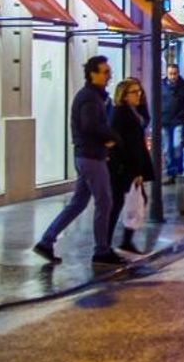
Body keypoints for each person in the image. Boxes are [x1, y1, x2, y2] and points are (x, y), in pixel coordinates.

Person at [34, 56, 121, 267]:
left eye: (109, 72)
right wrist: (112, 137)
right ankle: (101, 250)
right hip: (91, 156)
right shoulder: (90, 98)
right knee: (104, 202)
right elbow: (91, 126)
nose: (109, 75)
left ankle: (47, 241)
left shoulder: (93, 96)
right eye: (105, 72)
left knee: (79, 203)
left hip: (86, 155)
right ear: (93, 74)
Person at [107, 78, 157, 255]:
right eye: (134, 92)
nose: (139, 95)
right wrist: (136, 171)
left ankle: (124, 240)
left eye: (139, 91)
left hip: (129, 166)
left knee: (131, 200)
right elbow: (126, 144)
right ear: (124, 95)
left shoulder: (131, 112)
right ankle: (109, 243)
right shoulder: (121, 113)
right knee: (117, 204)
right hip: (124, 167)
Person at [160, 64, 184, 183]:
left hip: (179, 120)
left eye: (175, 74)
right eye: (171, 74)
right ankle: (171, 172)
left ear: (178, 73)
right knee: (167, 149)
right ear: (167, 73)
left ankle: (178, 171)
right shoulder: (161, 85)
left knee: (177, 146)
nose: (173, 76)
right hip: (164, 121)